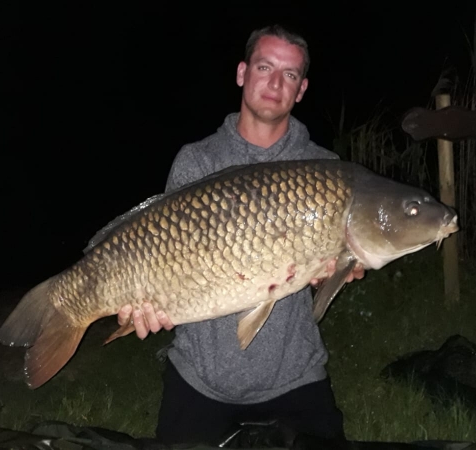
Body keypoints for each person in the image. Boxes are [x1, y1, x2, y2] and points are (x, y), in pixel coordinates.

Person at [112, 24, 365, 445]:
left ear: (301, 90)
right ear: (242, 73)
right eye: (265, 67)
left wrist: (337, 268)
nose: (274, 83)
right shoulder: (196, 161)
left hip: (295, 375)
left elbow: (327, 268)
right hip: (200, 377)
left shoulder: (324, 168)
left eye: (289, 75)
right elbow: (162, 256)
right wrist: (146, 303)